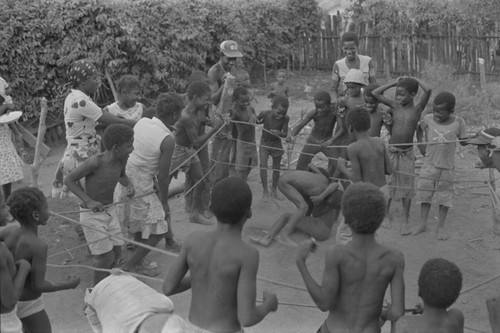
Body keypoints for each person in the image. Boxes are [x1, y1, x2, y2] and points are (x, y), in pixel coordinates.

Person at [163, 177, 278, 333]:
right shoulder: (247, 254)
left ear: (211, 207)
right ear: (249, 212)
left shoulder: (193, 240)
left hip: (189, 328)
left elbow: (168, 287)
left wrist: (201, 275)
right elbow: (247, 318)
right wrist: (268, 305)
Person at [296, 182, 405, 332]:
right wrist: (386, 313)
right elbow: (397, 312)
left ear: (345, 218)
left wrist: (301, 263)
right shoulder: (394, 258)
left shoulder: (336, 254)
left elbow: (324, 303)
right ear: (380, 218)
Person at [118, 94, 183, 273]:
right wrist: (163, 201)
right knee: (159, 227)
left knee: (139, 220)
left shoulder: (142, 122)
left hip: (125, 176)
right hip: (141, 183)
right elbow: (163, 176)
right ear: (175, 115)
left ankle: (138, 259)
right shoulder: (168, 139)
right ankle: (131, 265)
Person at [52, 60, 136, 199]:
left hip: (78, 152)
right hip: (82, 155)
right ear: (82, 82)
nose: (98, 81)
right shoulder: (82, 102)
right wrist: (141, 123)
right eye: (94, 78)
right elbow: (113, 121)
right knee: (94, 198)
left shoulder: (73, 97)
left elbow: (90, 124)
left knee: (90, 200)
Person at [0, 187, 80, 333]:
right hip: (29, 303)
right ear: (36, 215)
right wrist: (68, 284)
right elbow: (38, 285)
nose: (49, 211)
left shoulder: (8, 232)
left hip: (7, 297)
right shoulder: (38, 246)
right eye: (46, 207)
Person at [64, 124, 135, 284]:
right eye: (129, 145)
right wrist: (88, 201)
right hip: (92, 216)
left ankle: (110, 286)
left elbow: (122, 176)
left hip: (110, 211)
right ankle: (96, 293)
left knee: (117, 252)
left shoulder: (121, 160)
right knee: (104, 257)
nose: (133, 149)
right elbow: (69, 180)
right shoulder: (95, 162)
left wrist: (129, 185)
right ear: (116, 147)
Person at [372, 77, 432, 235]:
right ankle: (385, 214)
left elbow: (429, 90)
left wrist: (416, 79)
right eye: (397, 94)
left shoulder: (417, 109)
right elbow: (375, 93)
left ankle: (405, 219)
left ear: (412, 95)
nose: (397, 97)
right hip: (391, 151)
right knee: (389, 183)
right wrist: (395, 83)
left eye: (401, 94)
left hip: (406, 153)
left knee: (407, 186)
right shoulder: (394, 106)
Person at [414, 91, 468, 240]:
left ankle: (441, 227)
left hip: (447, 167)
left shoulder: (459, 122)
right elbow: (419, 128)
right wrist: (420, 145)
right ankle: (423, 223)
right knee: (425, 194)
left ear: (451, 111)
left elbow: (463, 141)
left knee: (444, 197)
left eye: (441, 111)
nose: (437, 114)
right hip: (429, 164)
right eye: (435, 110)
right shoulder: (428, 119)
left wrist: (478, 138)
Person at [334, 107, 392, 244]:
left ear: (350, 127)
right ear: (369, 125)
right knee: (371, 228)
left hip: (366, 194)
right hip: (383, 192)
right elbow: (389, 170)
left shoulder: (353, 148)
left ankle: (350, 261)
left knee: (344, 233)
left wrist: (342, 167)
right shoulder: (379, 142)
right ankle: (370, 254)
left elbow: (358, 180)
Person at [170, 81, 223, 225]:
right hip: (178, 150)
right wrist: (215, 129)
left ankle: (194, 214)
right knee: (163, 181)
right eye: (205, 98)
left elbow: (201, 122)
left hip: (189, 151)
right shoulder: (186, 116)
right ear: (195, 97)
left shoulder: (199, 110)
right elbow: (197, 142)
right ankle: (159, 208)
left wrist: (211, 121)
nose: (208, 102)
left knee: (201, 180)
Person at [251, 165, 342, 247]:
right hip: (323, 228)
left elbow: (333, 184)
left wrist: (319, 198)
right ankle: (270, 237)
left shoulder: (318, 192)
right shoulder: (327, 189)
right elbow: (334, 185)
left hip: (320, 229)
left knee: (288, 216)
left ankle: (269, 238)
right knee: (300, 213)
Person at [394, 258, 464, 333]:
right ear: (455, 297)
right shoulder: (457, 318)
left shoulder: (404, 325)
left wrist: (393, 319)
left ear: (419, 291)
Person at [209, 40, 243, 184]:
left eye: (234, 59)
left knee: (232, 143)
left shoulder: (233, 69)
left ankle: (226, 176)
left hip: (231, 113)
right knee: (219, 149)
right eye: (229, 58)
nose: (232, 62)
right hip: (219, 116)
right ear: (221, 55)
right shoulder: (214, 71)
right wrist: (225, 84)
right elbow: (213, 100)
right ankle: (213, 180)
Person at [183, 71, 213, 220]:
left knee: (206, 173)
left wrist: (212, 122)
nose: (208, 86)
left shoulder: (204, 103)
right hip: (189, 145)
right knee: (191, 174)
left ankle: (205, 206)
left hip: (202, 143)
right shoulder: (184, 105)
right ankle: (190, 203)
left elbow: (205, 120)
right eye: (205, 83)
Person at [0, 189, 31, 333]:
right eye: (2, 207)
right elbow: (9, 302)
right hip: (6, 323)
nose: (7, 209)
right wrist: (23, 269)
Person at [290, 91, 338, 172]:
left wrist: (332, 140)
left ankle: (330, 180)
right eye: (317, 107)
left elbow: (341, 125)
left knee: (336, 162)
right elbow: (301, 125)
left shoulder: (334, 113)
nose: (319, 110)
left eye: (322, 107)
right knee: (301, 165)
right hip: (313, 140)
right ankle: (300, 180)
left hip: (327, 142)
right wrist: (292, 135)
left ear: (329, 105)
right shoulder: (314, 113)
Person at [257, 95, 289, 201]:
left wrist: (279, 133)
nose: (280, 116)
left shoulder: (286, 118)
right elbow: (256, 121)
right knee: (263, 166)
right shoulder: (265, 114)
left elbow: (285, 134)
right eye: (278, 112)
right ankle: (265, 191)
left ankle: (274, 190)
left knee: (276, 168)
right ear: (272, 108)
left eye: (283, 114)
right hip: (265, 143)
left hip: (276, 144)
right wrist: (257, 117)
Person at [331, 31, 376, 104]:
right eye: (346, 48)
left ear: (357, 47)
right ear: (342, 48)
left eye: (352, 48)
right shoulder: (338, 65)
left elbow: (374, 84)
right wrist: (334, 101)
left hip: (365, 102)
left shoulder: (368, 62)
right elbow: (333, 89)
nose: (349, 52)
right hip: (347, 102)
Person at [331, 69, 366, 161]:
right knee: (341, 158)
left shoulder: (365, 100)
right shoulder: (344, 100)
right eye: (348, 87)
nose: (350, 90)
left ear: (361, 86)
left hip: (362, 134)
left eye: (353, 87)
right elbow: (340, 120)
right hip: (347, 133)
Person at [0, 76, 24, 199]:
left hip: (3, 132)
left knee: (6, 172)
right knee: (5, 171)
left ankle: (7, 201)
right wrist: (6, 107)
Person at [231, 86, 258, 181]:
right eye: (243, 102)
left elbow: (256, 119)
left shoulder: (251, 109)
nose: (246, 103)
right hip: (243, 143)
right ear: (235, 101)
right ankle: (241, 181)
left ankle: (244, 179)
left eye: (248, 101)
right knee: (241, 167)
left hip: (252, 142)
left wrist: (254, 115)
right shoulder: (236, 112)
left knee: (250, 164)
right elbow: (229, 122)